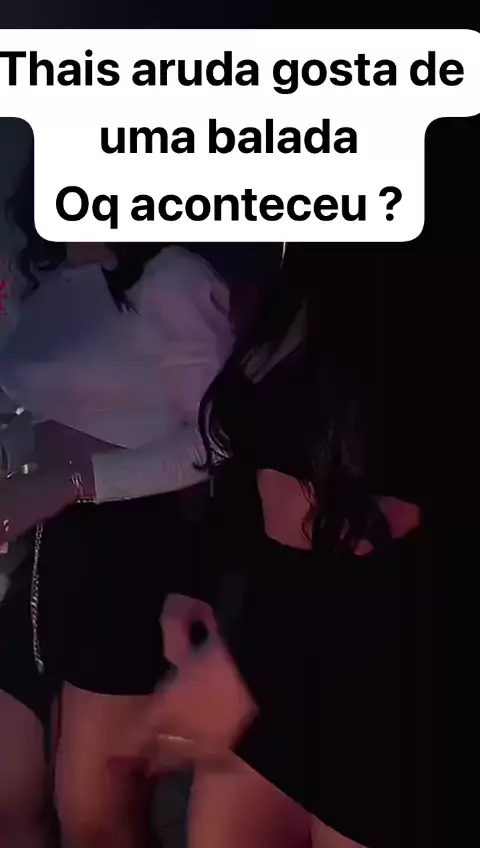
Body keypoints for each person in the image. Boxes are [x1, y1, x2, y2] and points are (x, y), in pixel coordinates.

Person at [135, 246, 434, 848]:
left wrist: (255, 656)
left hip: (382, 667)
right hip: (271, 643)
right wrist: (196, 579)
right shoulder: (302, 277)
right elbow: (249, 467)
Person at [0, 155, 240, 848]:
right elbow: (31, 405)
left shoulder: (172, 275)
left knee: (96, 819)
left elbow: (217, 440)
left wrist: (74, 482)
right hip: (39, 547)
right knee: (10, 798)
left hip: (128, 549)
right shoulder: (38, 275)